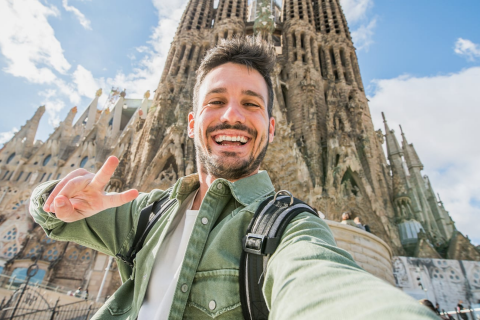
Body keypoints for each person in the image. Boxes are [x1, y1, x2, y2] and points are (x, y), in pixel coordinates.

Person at [29, 37, 439, 319]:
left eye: (250, 103)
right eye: (217, 101)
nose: (232, 115)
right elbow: (48, 216)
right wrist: (57, 196)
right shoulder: (145, 212)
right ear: (191, 122)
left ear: (272, 127)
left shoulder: (289, 228)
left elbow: (319, 279)